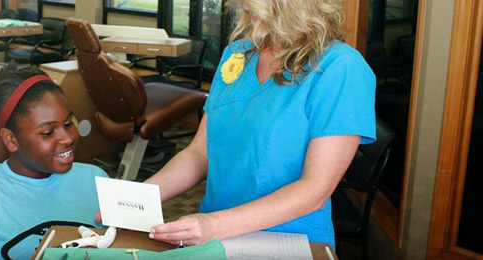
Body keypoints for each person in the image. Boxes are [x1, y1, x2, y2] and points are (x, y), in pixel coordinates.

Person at [142, 0, 375, 249]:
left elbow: (315, 190)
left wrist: (214, 225)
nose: (243, 5)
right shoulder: (237, 54)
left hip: (287, 240)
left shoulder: (341, 68)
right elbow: (200, 153)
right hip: (212, 234)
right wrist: (138, 197)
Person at [0, 64, 109, 260]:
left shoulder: (95, 179)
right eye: (47, 132)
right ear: (11, 139)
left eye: (68, 123)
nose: (67, 138)